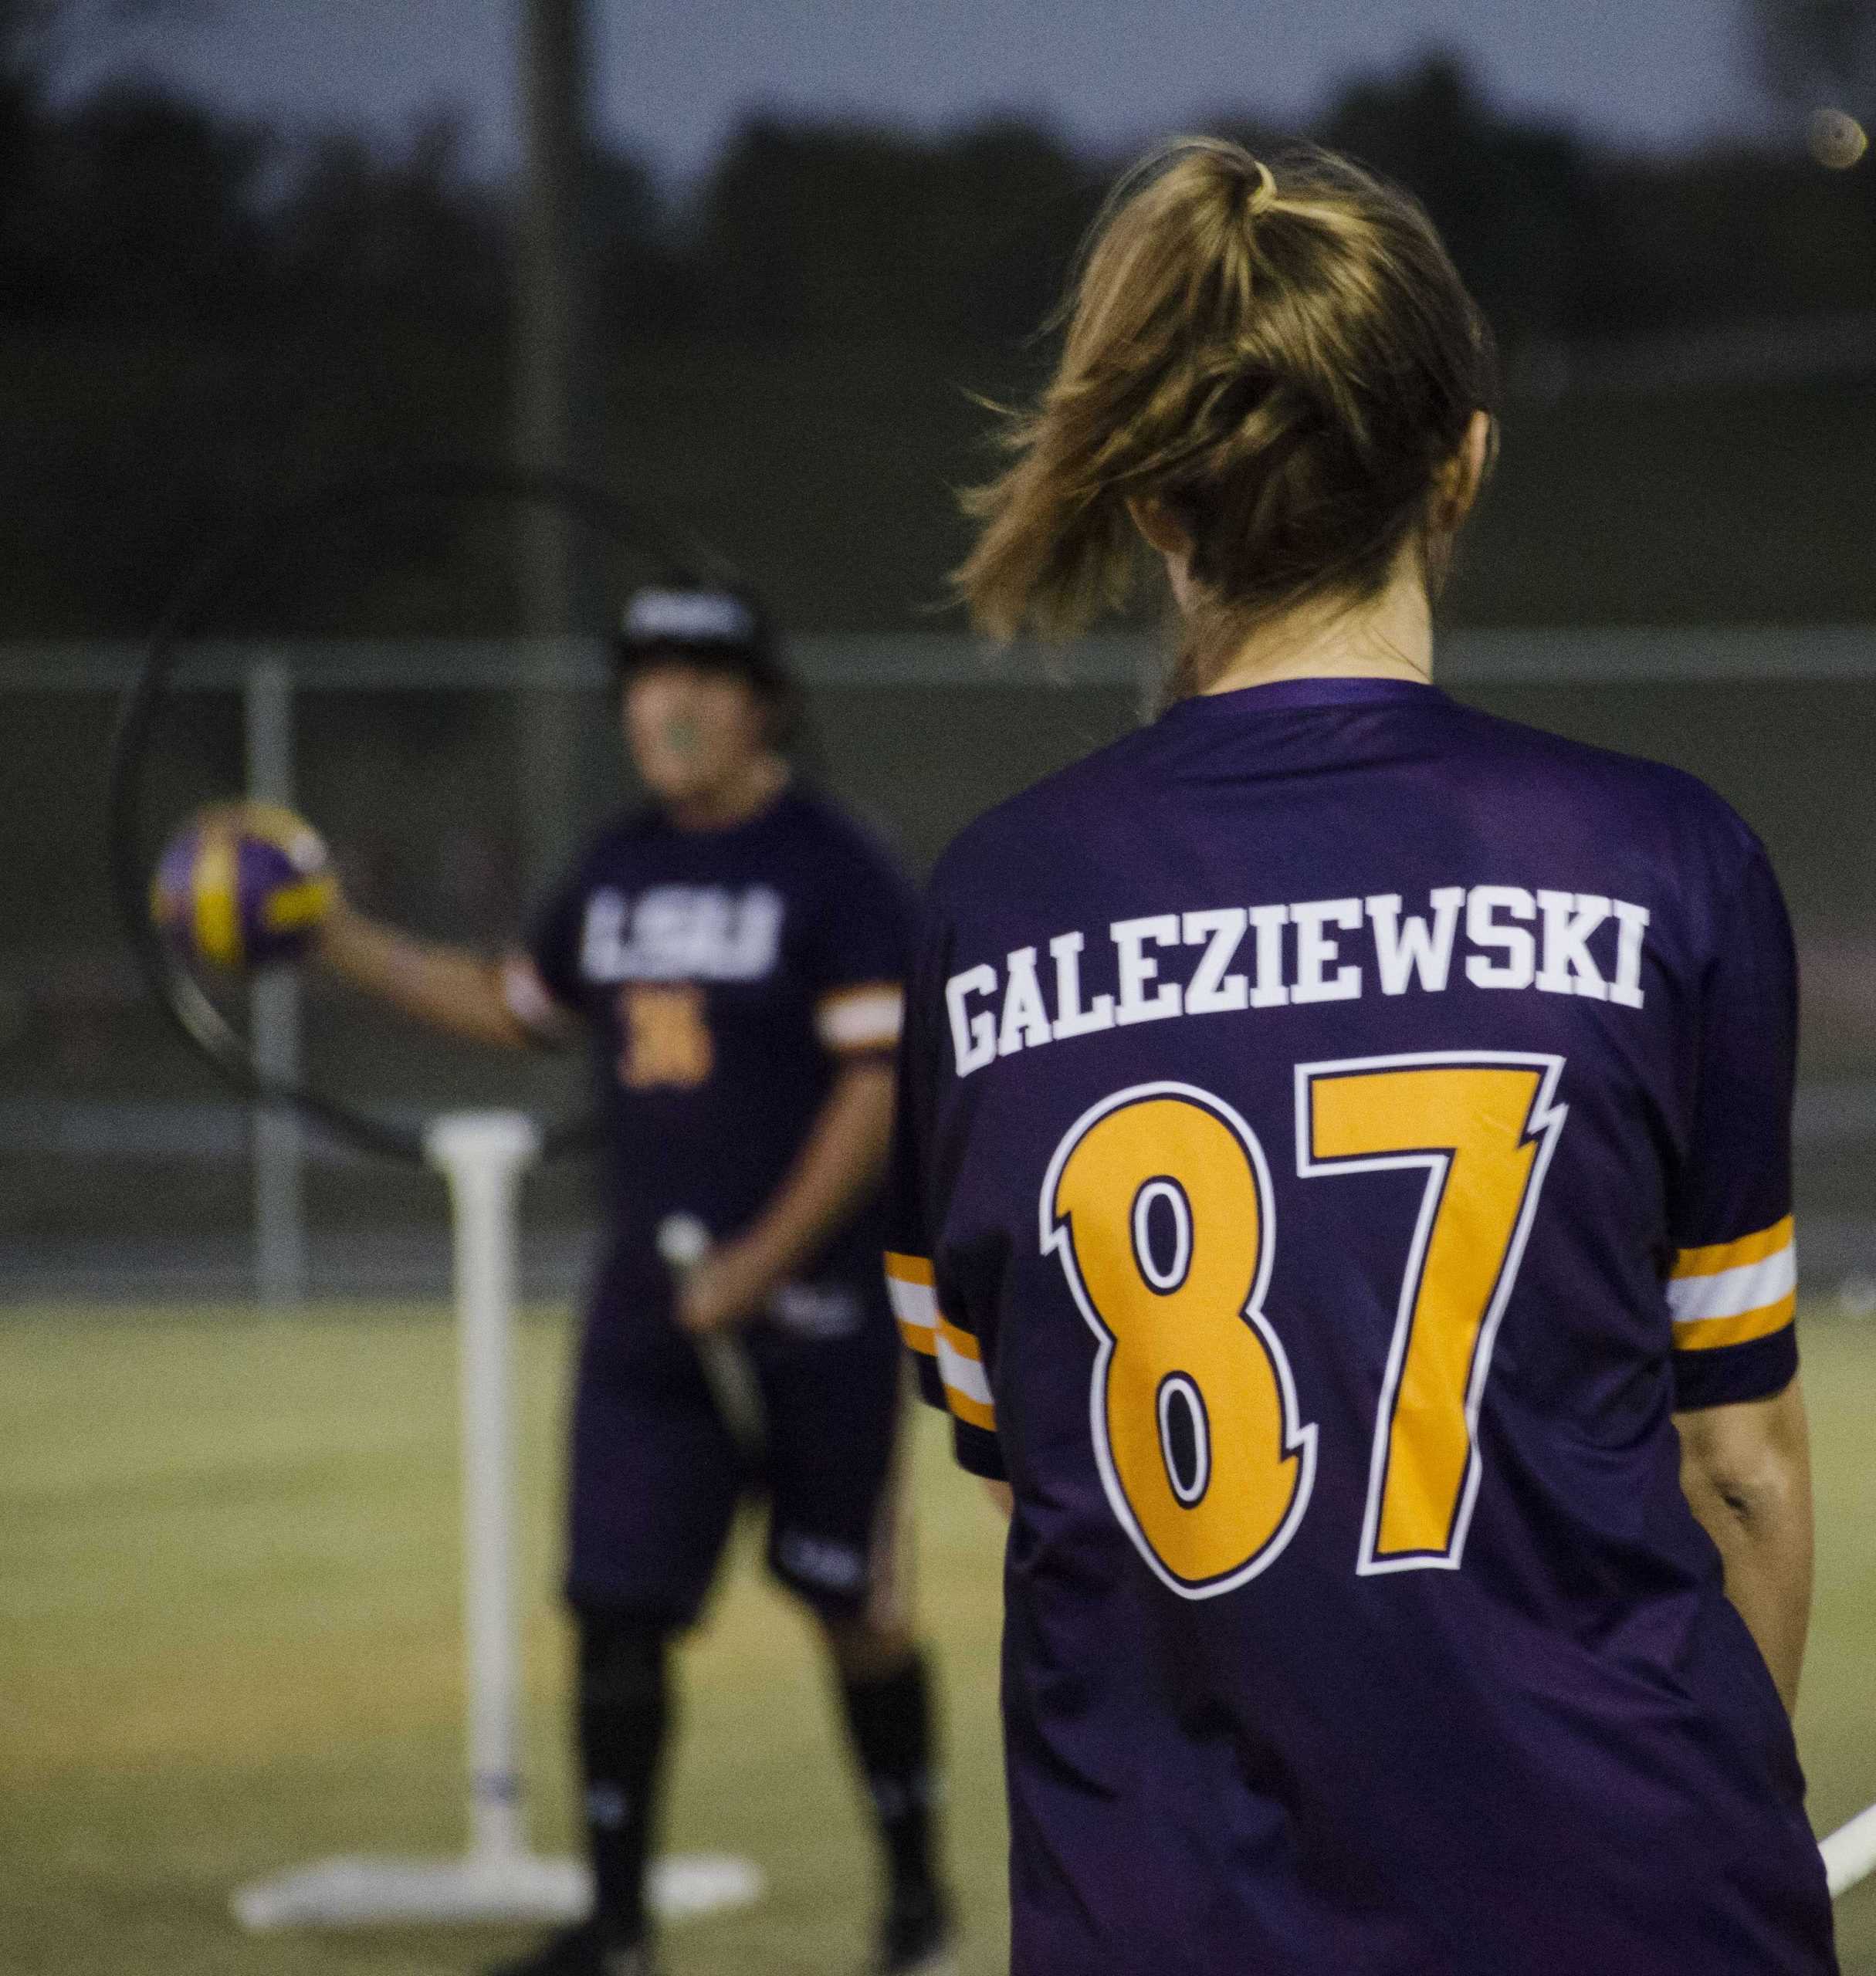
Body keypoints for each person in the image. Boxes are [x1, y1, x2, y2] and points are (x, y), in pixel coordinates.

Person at [886, 138, 1835, 1976]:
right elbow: (1743, 1470)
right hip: (1626, 1898)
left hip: (1169, 1916)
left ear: (1156, 511)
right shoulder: (1660, 859)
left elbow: (1034, 1478)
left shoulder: (990, 910)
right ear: (1462, 459)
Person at [317, 584, 956, 1976]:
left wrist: (764, 1261)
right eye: (644, 678)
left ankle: (914, 1900)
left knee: (853, 1605)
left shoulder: (833, 866)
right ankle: (613, 1926)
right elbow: (514, 1004)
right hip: (652, 1314)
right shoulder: (612, 870)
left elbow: (874, 1089)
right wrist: (331, 933)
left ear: (763, 702)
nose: (666, 705)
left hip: (816, 1315)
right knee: (614, 1610)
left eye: (702, 677)